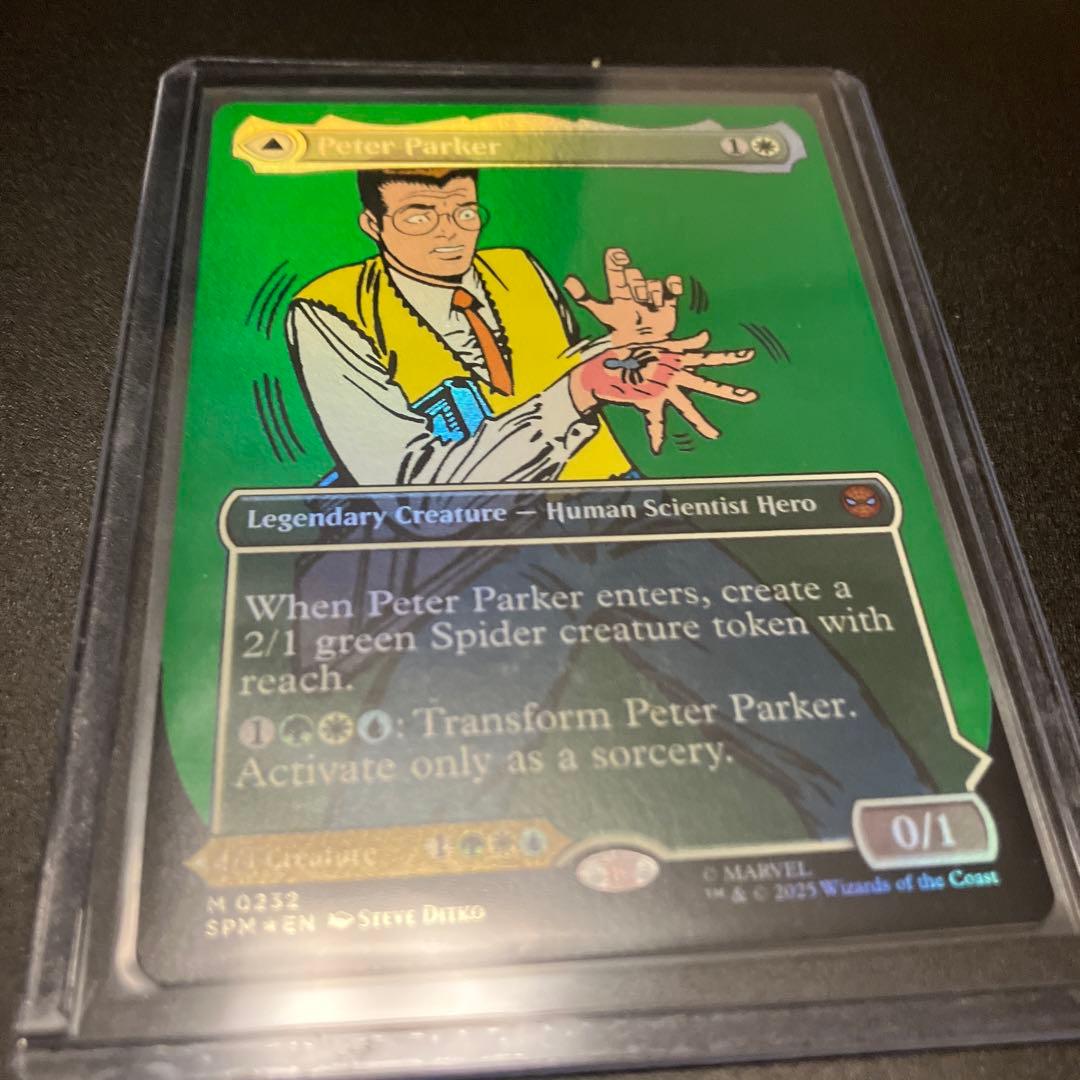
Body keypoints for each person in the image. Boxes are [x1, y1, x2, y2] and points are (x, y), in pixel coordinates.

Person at [285, 167, 758, 486]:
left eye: (463, 211)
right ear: (373, 224)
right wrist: (580, 390)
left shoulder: (517, 268)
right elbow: (409, 488)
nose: (449, 231)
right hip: (469, 542)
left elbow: (555, 373)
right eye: (419, 216)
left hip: (607, 496)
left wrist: (626, 350)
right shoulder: (329, 308)